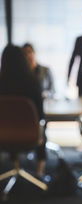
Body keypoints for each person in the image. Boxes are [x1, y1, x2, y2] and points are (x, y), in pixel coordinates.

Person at [0, 45, 47, 176]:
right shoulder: (32, 82)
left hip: (4, 135)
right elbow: (41, 116)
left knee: (10, 125)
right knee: (42, 126)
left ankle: (14, 166)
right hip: (30, 134)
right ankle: (40, 171)